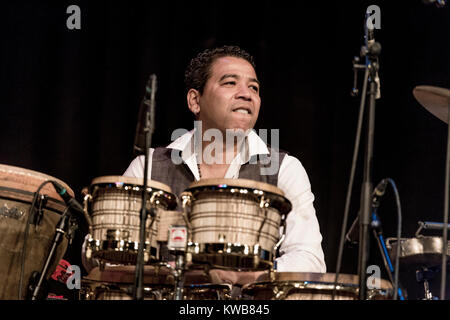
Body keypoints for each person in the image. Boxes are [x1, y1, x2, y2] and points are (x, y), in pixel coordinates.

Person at [123, 45, 326, 285]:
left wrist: (253, 275)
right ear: (195, 100)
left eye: (254, 87)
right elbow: (99, 252)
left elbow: (311, 260)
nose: (246, 94)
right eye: (230, 83)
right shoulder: (148, 168)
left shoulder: (284, 169)